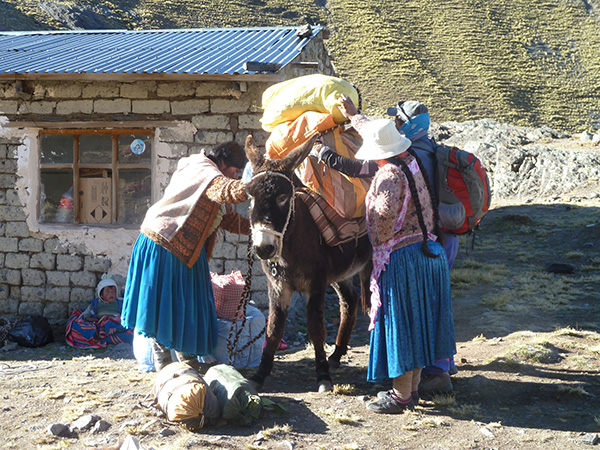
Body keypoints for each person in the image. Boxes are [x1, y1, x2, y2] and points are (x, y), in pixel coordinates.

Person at [318, 100, 459, 397]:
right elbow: (377, 131)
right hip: (428, 252)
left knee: (402, 326)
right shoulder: (412, 160)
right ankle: (412, 390)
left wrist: (377, 247)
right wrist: (354, 117)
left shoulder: (388, 176)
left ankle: (399, 396)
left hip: (403, 261)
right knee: (419, 326)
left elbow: (381, 224)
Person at [122, 141, 250, 372]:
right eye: (236, 172)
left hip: (186, 249)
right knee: (165, 306)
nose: (237, 177)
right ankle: (165, 366)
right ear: (222, 163)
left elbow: (228, 217)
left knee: (187, 305)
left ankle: (187, 363)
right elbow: (225, 190)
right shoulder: (203, 169)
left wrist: (259, 227)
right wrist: (255, 184)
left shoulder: (210, 175)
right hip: (165, 243)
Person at [65, 276, 133, 348]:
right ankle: (106, 336)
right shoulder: (95, 305)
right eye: (107, 292)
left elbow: (126, 314)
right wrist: (90, 319)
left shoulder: (120, 303)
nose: (111, 294)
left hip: (115, 322)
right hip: (102, 324)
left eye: (113, 291)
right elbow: (85, 314)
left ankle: (111, 335)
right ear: (101, 295)